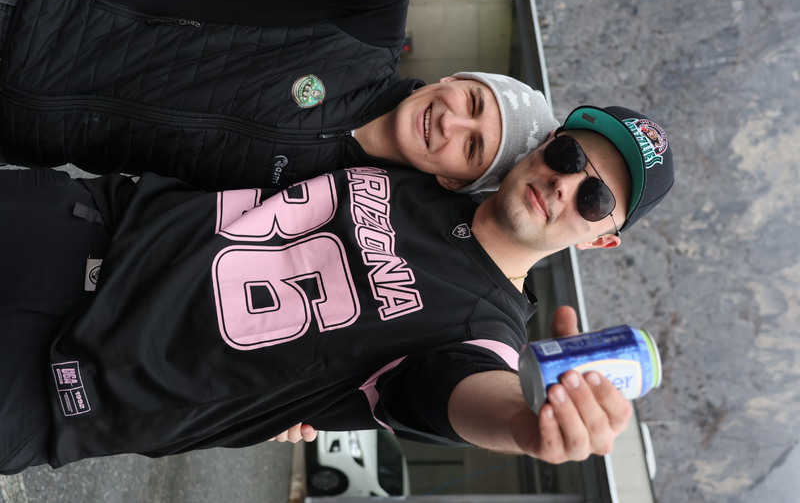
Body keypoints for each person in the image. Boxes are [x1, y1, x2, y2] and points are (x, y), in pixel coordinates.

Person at [0, 104, 674, 474]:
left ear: (601, 240)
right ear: (544, 143)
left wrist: (525, 425)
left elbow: (463, 395)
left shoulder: (488, 336)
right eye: (568, 155)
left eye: (594, 197)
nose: (563, 183)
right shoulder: (426, 162)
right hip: (77, 229)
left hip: (68, 390)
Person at [0, 0, 558, 193]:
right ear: (458, 77)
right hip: (33, 6)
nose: (452, 121)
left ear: (457, 181)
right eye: (473, 100)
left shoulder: (327, 206)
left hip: (23, 132)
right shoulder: (368, 24)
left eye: (472, 146)